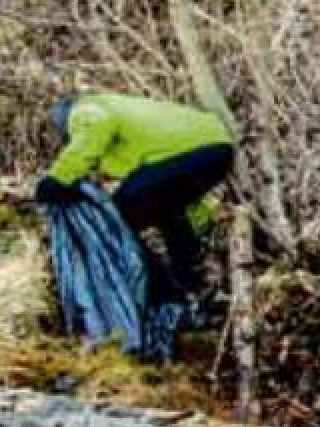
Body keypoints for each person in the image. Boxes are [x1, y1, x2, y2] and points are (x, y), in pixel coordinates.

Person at [34, 93, 235, 300]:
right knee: (164, 209)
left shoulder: (85, 110)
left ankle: (158, 290)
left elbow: (93, 132)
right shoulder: (120, 108)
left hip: (196, 151)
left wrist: (56, 180)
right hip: (218, 151)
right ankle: (190, 280)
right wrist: (203, 223)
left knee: (118, 216)